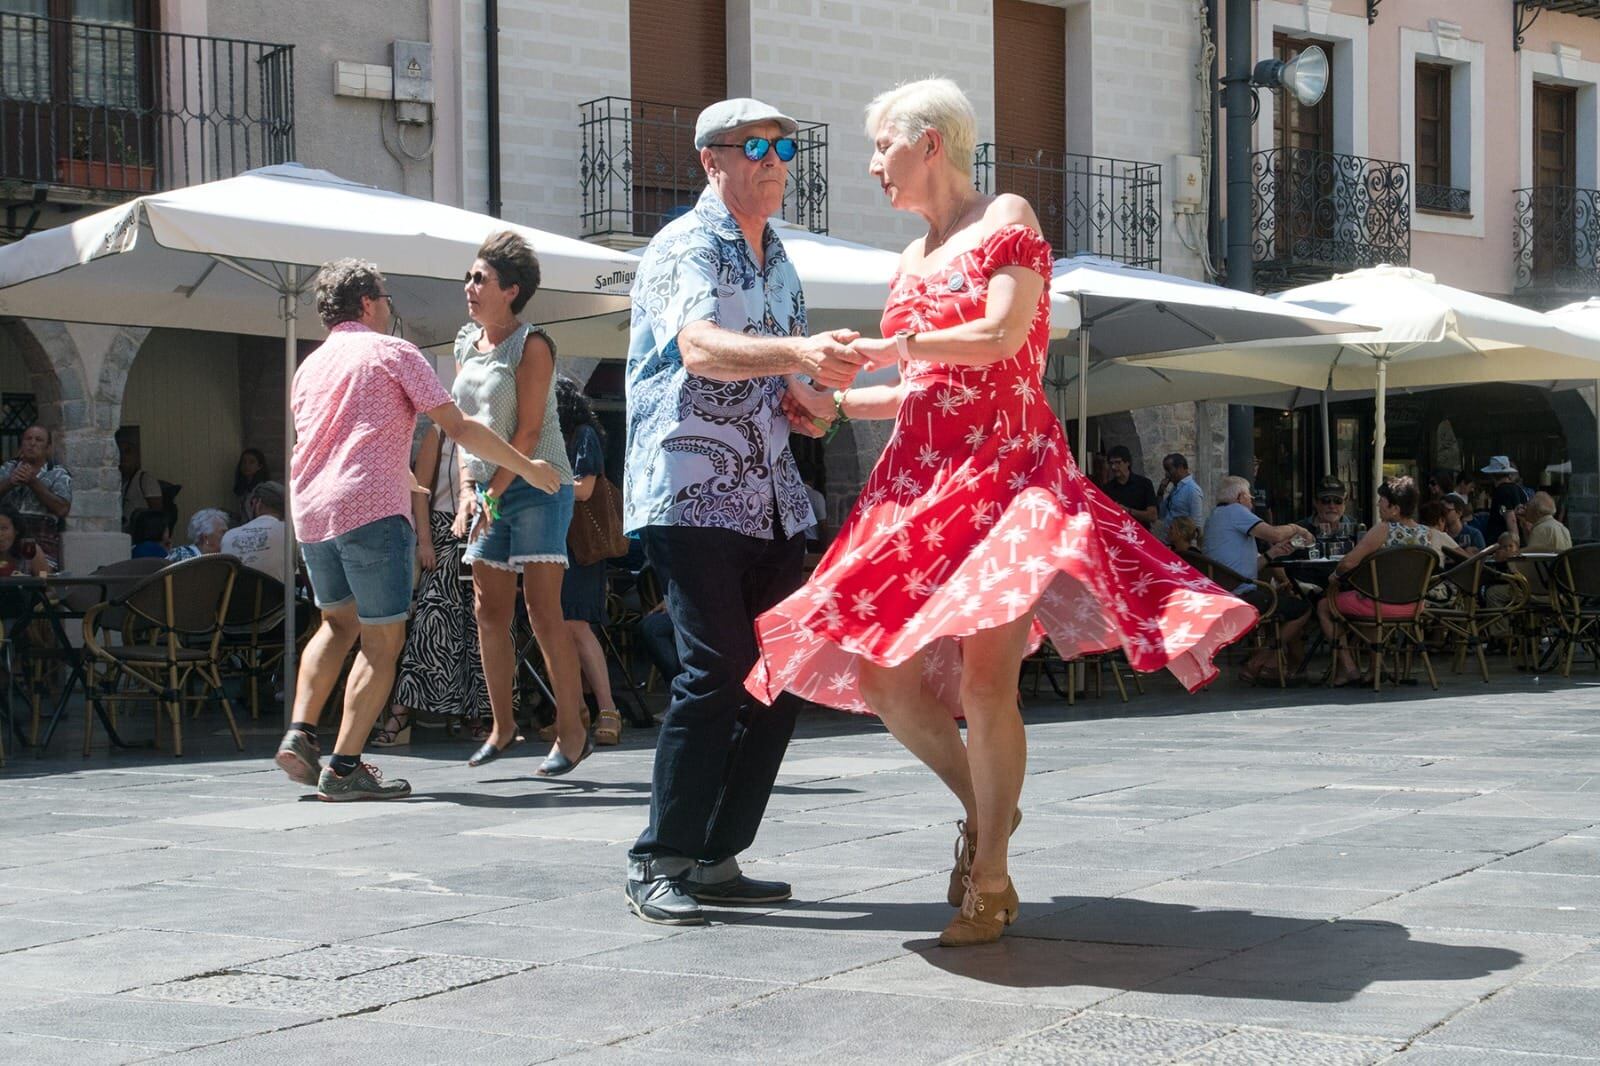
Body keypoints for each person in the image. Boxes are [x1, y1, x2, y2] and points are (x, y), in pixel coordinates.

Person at [748, 79, 1256, 947]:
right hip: (917, 484)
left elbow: (998, 334)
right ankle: (991, 816)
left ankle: (989, 878)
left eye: (883, 148)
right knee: (881, 678)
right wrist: (837, 407)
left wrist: (886, 348)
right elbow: (921, 389)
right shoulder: (909, 260)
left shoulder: (1006, 217)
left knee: (988, 683)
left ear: (930, 143)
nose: (873, 166)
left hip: (1006, 474)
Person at [622, 95, 869, 928]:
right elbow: (696, 346)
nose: (775, 159)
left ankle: (716, 854)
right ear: (711, 160)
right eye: (756, 146)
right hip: (689, 486)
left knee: (781, 674)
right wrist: (800, 353)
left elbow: (790, 391)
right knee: (718, 668)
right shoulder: (683, 246)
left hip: (767, 496)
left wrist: (818, 399)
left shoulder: (783, 261)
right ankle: (658, 857)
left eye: (786, 147)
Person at [275, 257, 559, 802]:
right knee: (383, 639)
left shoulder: (309, 366)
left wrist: (399, 467)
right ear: (366, 303)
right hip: (370, 509)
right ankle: (345, 765)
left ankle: (299, 732)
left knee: (336, 625)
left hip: (312, 510)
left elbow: (338, 437)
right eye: (385, 297)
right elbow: (459, 427)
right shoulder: (393, 352)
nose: (389, 307)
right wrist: (527, 468)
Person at [451, 231, 586, 774]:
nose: (469, 285)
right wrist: (465, 489)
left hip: (536, 484)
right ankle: (503, 727)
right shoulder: (465, 342)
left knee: (542, 611)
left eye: (479, 278)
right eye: (469, 276)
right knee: (489, 609)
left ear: (510, 290)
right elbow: (461, 428)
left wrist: (487, 495)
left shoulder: (532, 344)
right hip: (487, 488)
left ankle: (573, 732)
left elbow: (528, 434)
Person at [382, 419, 507, 747]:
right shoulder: (440, 432)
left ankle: (478, 713)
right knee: (432, 622)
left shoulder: (495, 428)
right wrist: (424, 541)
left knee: (480, 624)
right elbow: (420, 489)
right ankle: (401, 712)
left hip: (482, 529)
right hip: (443, 531)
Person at [556, 374, 625, 747]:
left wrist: (540, 477)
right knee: (563, 630)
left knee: (578, 627)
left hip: (578, 547)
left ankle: (608, 709)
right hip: (559, 543)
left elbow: (584, 490)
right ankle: (575, 712)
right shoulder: (562, 438)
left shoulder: (582, 436)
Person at [1317, 476, 1432, 687]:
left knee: (1325, 605)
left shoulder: (1384, 529)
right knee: (1368, 599)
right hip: (1414, 606)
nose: (1378, 504)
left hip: (1380, 604)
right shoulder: (1426, 534)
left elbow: (1348, 563)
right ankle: (1375, 668)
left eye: (1382, 500)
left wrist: (1334, 577)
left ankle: (1348, 667)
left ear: (1395, 508)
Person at [1202, 476, 1313, 684]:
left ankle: (1282, 666)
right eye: (1250, 498)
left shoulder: (1215, 516)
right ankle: (1259, 662)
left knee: (1285, 602)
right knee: (1303, 608)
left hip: (1226, 590)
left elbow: (1240, 570)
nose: (1252, 504)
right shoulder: (1236, 511)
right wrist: (1297, 528)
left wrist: (1271, 555)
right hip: (1241, 595)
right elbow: (1274, 533)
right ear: (1240, 497)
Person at [0, 425, 71, 569]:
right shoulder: (7, 468)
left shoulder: (58, 473)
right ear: (22, 444)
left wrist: (33, 482)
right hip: (6, 545)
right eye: (28, 439)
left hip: (43, 545)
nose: (32, 443)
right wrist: (10, 482)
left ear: (48, 448)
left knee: (41, 577)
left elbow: (62, 509)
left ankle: (46, 591)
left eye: (39, 440)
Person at [222, 481, 287, 577]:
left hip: (236, 591)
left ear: (257, 503)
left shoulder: (228, 535)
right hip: (276, 591)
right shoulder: (291, 534)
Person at [115, 429, 163, 533]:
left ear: (136, 456)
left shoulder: (145, 479)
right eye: (120, 452)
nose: (123, 457)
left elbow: (157, 513)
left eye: (128, 452)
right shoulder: (118, 481)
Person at [1100, 444, 1157, 529]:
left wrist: (1128, 511)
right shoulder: (1108, 489)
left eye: (1118, 463)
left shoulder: (1144, 484)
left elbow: (1153, 516)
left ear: (1128, 462)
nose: (1114, 467)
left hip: (1140, 534)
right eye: (1111, 463)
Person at [1481, 456, 1527, 549]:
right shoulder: (1519, 490)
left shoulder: (1501, 491)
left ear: (1493, 475)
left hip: (1503, 545)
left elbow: (1510, 518)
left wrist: (1514, 545)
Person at [1297, 476, 1360, 543]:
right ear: (1315, 502)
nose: (1332, 506)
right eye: (1325, 500)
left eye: (1338, 501)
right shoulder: (1299, 530)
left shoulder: (1357, 529)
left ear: (1345, 502)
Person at [1157, 452, 1203, 536]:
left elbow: (1196, 524)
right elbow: (1161, 514)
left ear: (1181, 468)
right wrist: (1160, 493)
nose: (1167, 474)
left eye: (1169, 470)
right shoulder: (1175, 489)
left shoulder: (1192, 489)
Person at [0, 507, 48, 577]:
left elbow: (45, 578)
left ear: (16, 530)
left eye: (4, 528)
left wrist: (43, 577)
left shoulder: (30, 548)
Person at [232, 448, 271, 522]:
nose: (247, 465)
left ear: (260, 466)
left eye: (251, 462)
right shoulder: (243, 488)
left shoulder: (265, 488)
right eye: (244, 462)